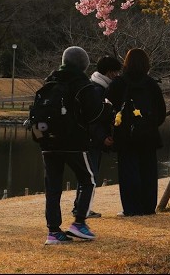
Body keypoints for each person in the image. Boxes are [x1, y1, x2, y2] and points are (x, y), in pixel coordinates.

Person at [38, 46, 103, 245]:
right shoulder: (82, 84)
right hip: (73, 141)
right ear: (84, 65)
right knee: (88, 180)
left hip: (48, 140)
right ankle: (79, 222)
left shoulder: (51, 80)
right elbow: (94, 114)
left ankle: (53, 231)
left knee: (53, 187)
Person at [105, 48, 166, 216]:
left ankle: (131, 208)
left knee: (128, 172)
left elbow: (107, 109)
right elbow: (161, 113)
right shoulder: (152, 84)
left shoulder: (117, 84)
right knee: (148, 172)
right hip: (148, 136)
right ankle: (148, 207)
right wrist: (149, 125)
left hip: (125, 136)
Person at [80, 55, 121, 219]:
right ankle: (83, 209)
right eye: (116, 72)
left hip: (91, 138)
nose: (117, 75)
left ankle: (82, 207)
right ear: (110, 72)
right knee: (90, 175)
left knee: (89, 174)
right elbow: (93, 119)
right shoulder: (98, 90)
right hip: (92, 140)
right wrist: (102, 137)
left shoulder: (95, 86)